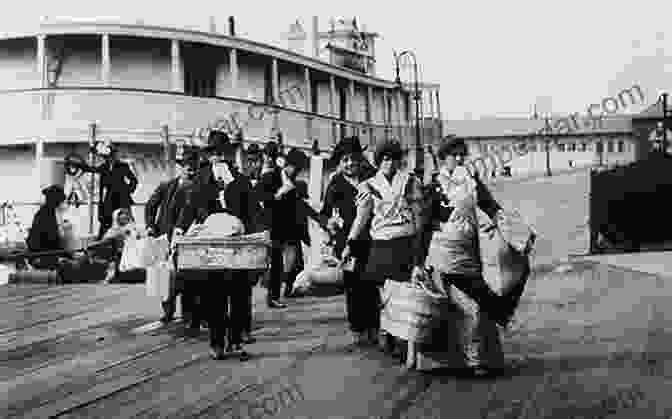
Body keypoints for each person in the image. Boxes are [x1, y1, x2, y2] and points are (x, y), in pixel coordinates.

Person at [424, 137, 515, 376]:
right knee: (467, 308)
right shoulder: (434, 184)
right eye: (455, 155)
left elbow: (490, 206)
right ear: (443, 158)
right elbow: (424, 224)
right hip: (443, 255)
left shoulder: (471, 180)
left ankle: (487, 359)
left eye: (462, 154)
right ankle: (473, 361)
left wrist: (509, 229)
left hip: (470, 254)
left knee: (482, 305)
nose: (460, 159)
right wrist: (417, 262)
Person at [343, 138, 426, 359]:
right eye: (385, 159)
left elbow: (419, 218)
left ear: (399, 160)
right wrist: (349, 244)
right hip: (380, 244)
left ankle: (402, 338)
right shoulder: (368, 185)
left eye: (393, 158)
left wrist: (420, 248)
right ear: (378, 161)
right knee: (384, 294)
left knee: (405, 293)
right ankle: (387, 332)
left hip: (405, 242)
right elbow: (361, 219)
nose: (389, 163)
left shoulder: (411, 182)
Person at [182, 131, 259, 359]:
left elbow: (252, 209)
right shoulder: (201, 178)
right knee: (214, 294)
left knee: (238, 294)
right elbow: (191, 207)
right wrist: (179, 230)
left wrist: (260, 234)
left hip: (237, 242)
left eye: (221, 153)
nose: (217, 157)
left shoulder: (240, 178)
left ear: (228, 154)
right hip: (212, 242)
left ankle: (235, 341)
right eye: (213, 153)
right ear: (209, 155)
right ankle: (217, 342)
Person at [319, 136, 376, 348]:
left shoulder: (372, 178)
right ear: (339, 163)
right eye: (345, 160)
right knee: (353, 286)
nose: (350, 163)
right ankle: (358, 329)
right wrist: (329, 223)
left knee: (372, 284)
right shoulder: (335, 183)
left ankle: (375, 327)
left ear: (360, 159)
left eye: (353, 159)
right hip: (347, 244)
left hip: (372, 239)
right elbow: (324, 213)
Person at [257, 146, 322, 308]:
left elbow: (302, 206)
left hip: (291, 227)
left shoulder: (296, 184)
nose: (296, 172)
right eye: (294, 168)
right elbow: (258, 196)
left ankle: (287, 290)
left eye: (298, 169)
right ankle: (273, 297)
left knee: (296, 261)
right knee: (277, 262)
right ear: (287, 164)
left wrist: (322, 220)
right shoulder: (270, 177)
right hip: (273, 226)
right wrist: (278, 194)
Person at [144, 147, 200, 324]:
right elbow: (150, 205)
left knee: (187, 275)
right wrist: (150, 226)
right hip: (164, 237)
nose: (190, 169)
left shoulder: (200, 188)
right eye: (186, 166)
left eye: (193, 166)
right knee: (164, 275)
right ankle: (167, 311)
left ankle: (188, 314)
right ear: (181, 167)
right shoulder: (167, 186)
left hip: (189, 238)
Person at [26, 185, 87, 281]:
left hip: (52, 253)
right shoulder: (44, 215)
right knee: (71, 266)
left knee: (81, 261)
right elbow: (47, 242)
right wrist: (67, 256)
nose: (62, 203)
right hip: (43, 256)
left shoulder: (51, 213)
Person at [96, 144, 138, 240]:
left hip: (121, 200)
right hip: (109, 201)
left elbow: (134, 180)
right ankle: (101, 246)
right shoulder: (104, 167)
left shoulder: (123, 166)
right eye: (105, 157)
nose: (108, 159)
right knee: (105, 225)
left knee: (127, 226)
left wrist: (127, 191)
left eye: (110, 156)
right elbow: (93, 170)